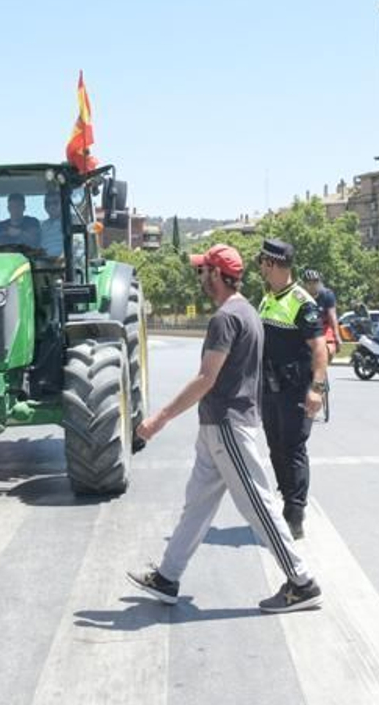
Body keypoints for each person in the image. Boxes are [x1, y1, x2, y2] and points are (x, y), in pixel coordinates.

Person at [127, 244, 321, 614]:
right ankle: (168, 577)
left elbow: (206, 378)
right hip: (219, 425)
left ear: (217, 274)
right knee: (197, 505)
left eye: (203, 271)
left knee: (258, 506)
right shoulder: (249, 311)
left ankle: (302, 582)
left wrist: (158, 419)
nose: (200, 277)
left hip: (228, 425)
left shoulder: (226, 319)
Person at [255, 239, 327, 541]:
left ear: (271, 263)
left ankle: (295, 515)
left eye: (261, 261)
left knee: (294, 449)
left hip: (296, 389)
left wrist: (316, 389)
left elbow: (319, 348)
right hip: (270, 388)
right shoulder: (268, 298)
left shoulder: (300, 301)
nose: (258, 266)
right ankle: (286, 502)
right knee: (276, 448)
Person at [301, 269, 340, 358]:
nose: (313, 285)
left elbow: (332, 316)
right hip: (306, 327)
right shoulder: (300, 297)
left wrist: (337, 336)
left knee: (328, 351)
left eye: (315, 282)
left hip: (324, 327)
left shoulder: (327, 295)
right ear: (304, 285)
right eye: (309, 283)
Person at [39, 189, 66, 258]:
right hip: (45, 263)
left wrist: (62, 258)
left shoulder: (71, 220)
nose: (51, 206)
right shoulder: (43, 226)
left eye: (55, 202)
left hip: (66, 263)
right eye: (48, 204)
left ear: (62, 203)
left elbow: (77, 245)